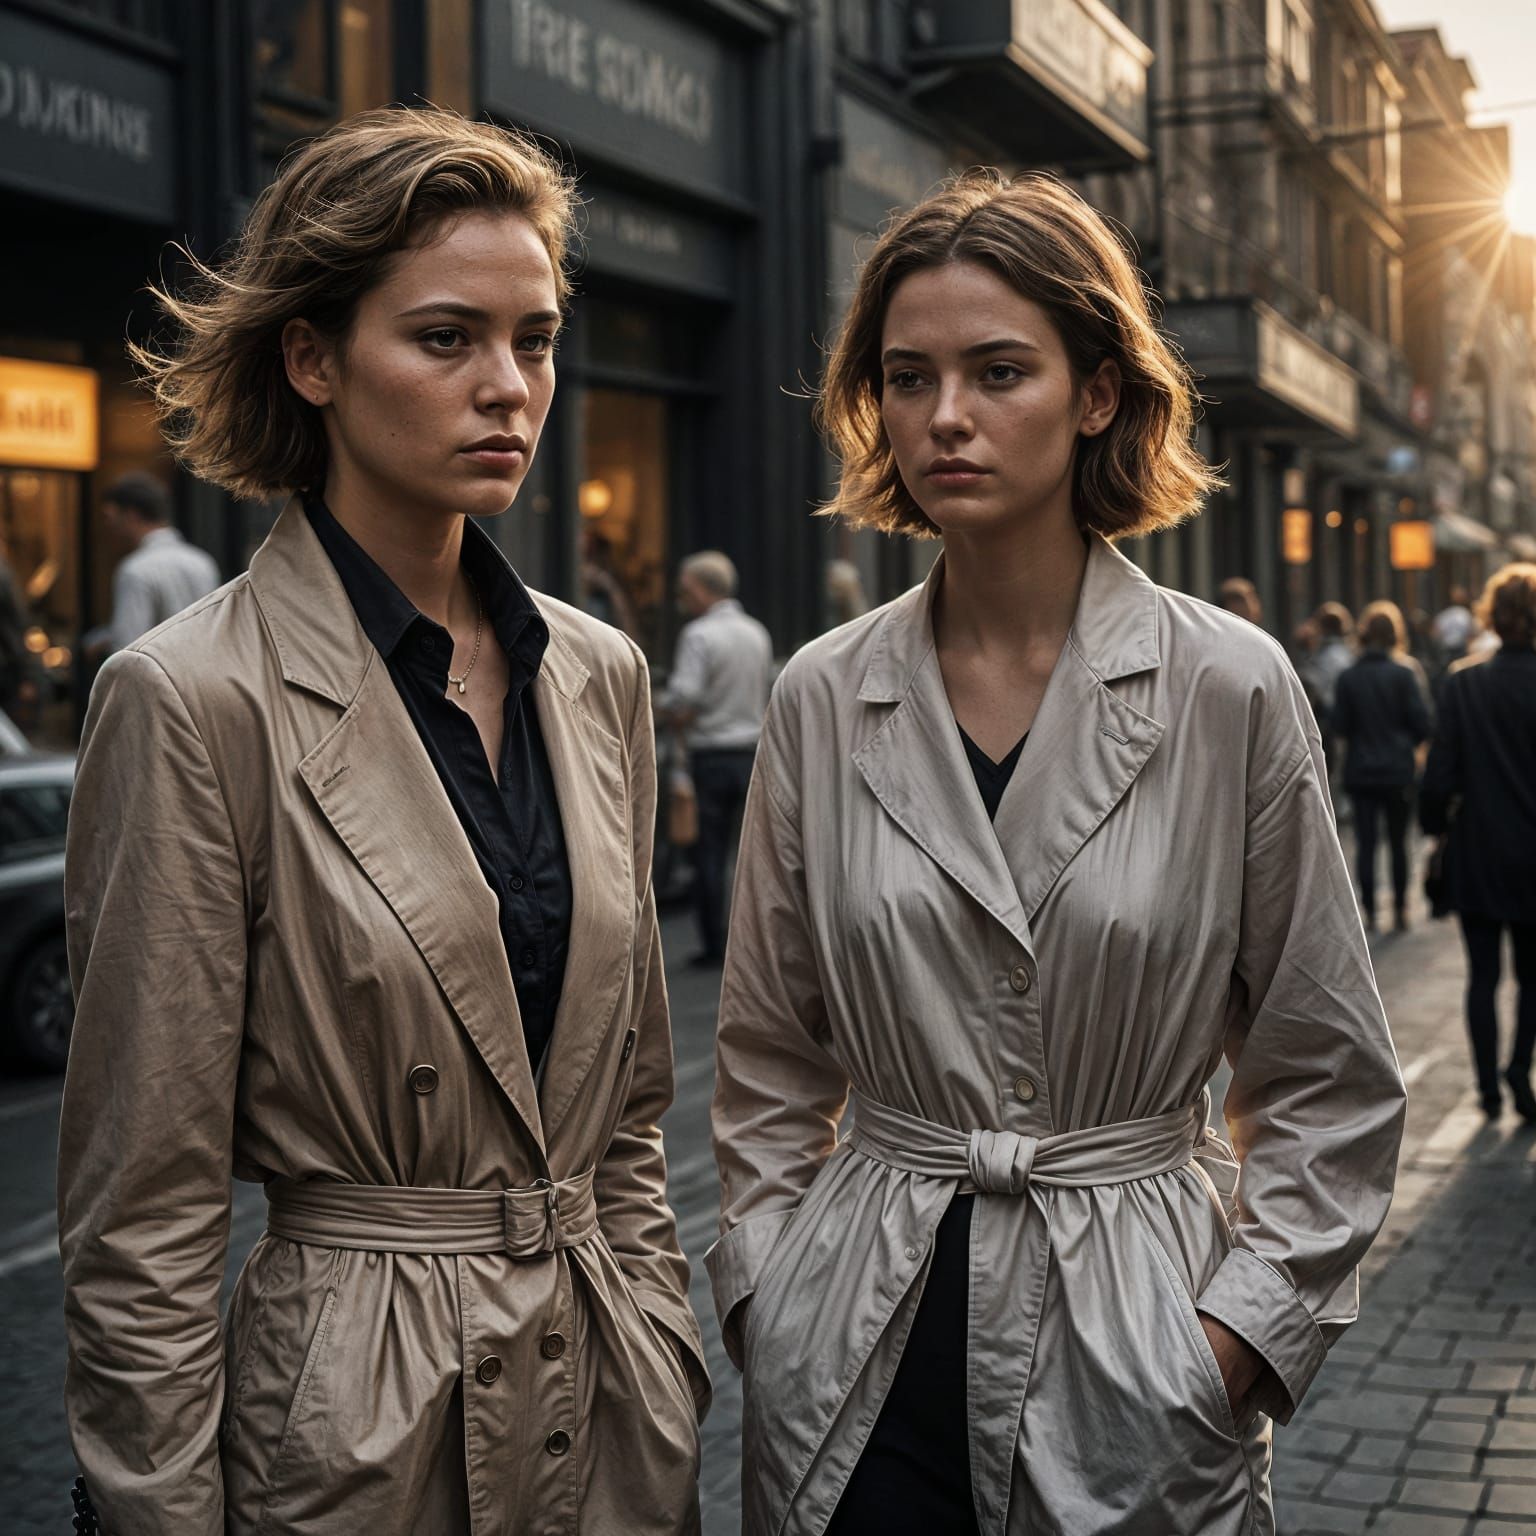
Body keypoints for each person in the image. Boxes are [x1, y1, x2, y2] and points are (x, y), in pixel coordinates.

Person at [708, 170, 1405, 1536]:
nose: (946, 417)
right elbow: (767, 1057)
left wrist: (1234, 1344)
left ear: (1099, 393)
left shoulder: (1228, 688)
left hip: (1135, 1345)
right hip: (856, 1337)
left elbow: (1328, 1073)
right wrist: (769, 1291)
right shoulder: (822, 693)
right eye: (908, 378)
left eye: (998, 370)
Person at [59, 108, 706, 1536]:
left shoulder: (597, 673)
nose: (509, 389)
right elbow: (142, 1211)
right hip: (357, 1425)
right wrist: (158, 1513)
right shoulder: (191, 697)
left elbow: (633, 1111)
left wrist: (663, 1344)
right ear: (313, 358)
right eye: (445, 338)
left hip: (604, 1411)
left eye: (533, 340)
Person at [1420, 563, 1536, 1123]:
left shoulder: (1464, 683)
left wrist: (1433, 827)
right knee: (1533, 976)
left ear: (1494, 614)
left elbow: (1439, 776)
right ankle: (1521, 1068)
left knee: (1482, 975)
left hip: (1479, 849)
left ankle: (1487, 1086)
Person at [660, 550, 773, 966]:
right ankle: (751, 943)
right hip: (750, 754)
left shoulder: (699, 635)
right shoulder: (756, 633)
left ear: (703, 589)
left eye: (686, 589)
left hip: (709, 755)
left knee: (708, 852)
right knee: (747, 854)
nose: (682, 597)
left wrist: (665, 708)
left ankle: (714, 945)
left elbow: (685, 697)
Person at [1331, 601, 1432, 933]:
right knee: (1399, 842)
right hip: (1397, 771)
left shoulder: (1349, 677)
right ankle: (1401, 907)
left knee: (1366, 843)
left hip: (1361, 771)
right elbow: (1422, 724)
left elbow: (1340, 725)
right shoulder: (1405, 674)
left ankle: (1371, 911)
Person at [86, 471, 220, 657]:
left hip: (159, 680)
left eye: (110, 516)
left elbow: (127, 647)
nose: (107, 526)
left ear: (131, 515)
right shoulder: (202, 562)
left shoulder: (135, 570)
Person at [1432, 584, 1475, 663]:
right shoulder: (1465, 614)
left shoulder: (1443, 615)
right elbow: (1471, 634)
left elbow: (1435, 635)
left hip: (1452, 651)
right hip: (1454, 651)